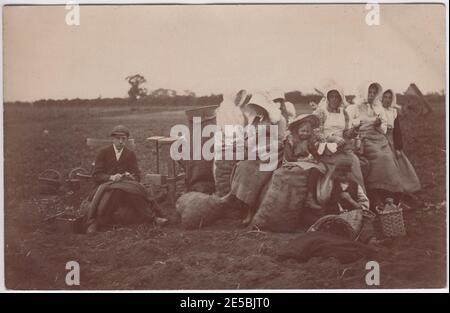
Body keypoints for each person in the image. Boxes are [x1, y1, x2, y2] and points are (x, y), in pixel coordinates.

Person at [84, 125, 166, 234]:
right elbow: (97, 175)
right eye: (118, 139)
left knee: (134, 190)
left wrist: (131, 177)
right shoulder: (103, 152)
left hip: (125, 185)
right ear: (113, 139)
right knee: (116, 190)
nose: (121, 142)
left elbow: (137, 176)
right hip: (105, 186)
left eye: (124, 139)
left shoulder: (130, 154)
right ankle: (95, 222)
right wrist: (111, 177)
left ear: (126, 140)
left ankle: (152, 218)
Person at [220, 91, 285, 225]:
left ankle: (250, 210)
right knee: (242, 166)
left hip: (272, 155)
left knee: (253, 172)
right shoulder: (256, 119)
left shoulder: (278, 120)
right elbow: (247, 136)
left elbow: (280, 142)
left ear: (265, 106)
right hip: (255, 153)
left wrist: (263, 146)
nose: (256, 109)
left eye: (258, 106)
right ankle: (237, 200)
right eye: (254, 106)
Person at [347, 82, 404, 208]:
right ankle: (375, 193)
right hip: (363, 139)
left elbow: (384, 130)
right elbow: (348, 128)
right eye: (369, 92)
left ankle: (389, 194)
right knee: (379, 157)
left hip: (379, 138)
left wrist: (378, 124)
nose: (371, 95)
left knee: (388, 158)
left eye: (374, 93)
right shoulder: (353, 108)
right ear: (363, 92)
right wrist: (357, 125)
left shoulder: (379, 108)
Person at [312, 83, 365, 206]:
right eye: (332, 97)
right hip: (325, 149)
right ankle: (334, 202)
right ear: (328, 98)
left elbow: (346, 133)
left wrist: (355, 130)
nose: (335, 99)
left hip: (343, 148)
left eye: (337, 97)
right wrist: (331, 138)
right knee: (336, 167)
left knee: (354, 164)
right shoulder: (320, 112)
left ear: (341, 99)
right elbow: (316, 132)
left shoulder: (344, 113)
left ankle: (360, 202)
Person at [381, 89, 421, 193]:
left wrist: (398, 147)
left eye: (390, 98)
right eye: (385, 97)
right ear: (381, 98)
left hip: (391, 140)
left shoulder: (393, 112)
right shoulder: (377, 110)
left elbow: (397, 131)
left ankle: (404, 186)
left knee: (399, 160)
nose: (387, 100)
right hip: (380, 139)